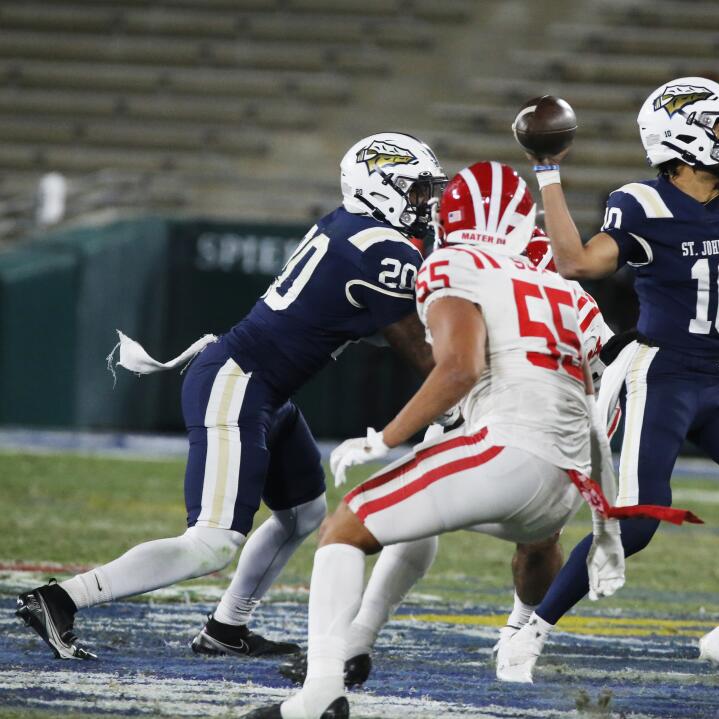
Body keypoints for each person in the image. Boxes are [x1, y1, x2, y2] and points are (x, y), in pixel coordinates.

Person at [241, 161, 687, 719]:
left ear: (453, 218)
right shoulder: (562, 287)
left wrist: (384, 438)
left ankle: (319, 694)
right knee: (435, 496)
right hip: (567, 478)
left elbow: (457, 370)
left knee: (346, 527)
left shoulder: (452, 261)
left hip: (508, 450)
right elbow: (609, 374)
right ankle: (399, 643)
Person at [15, 132, 444, 661]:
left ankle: (226, 628)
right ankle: (60, 599)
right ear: (382, 188)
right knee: (211, 543)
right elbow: (422, 354)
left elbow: (369, 319)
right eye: (419, 191)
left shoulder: (356, 227)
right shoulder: (383, 249)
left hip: (264, 388)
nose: (428, 204)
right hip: (240, 383)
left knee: (304, 514)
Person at [495, 76, 719, 691]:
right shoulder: (642, 204)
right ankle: (528, 633)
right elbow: (577, 263)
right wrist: (547, 172)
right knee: (636, 524)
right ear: (681, 139)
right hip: (657, 375)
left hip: (718, 380)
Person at [274, 228, 622, 689]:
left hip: (550, 422)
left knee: (530, 542)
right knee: (408, 508)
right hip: (480, 408)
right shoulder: (486, 278)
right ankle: (356, 642)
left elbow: (604, 384)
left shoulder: (561, 300)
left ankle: (519, 631)